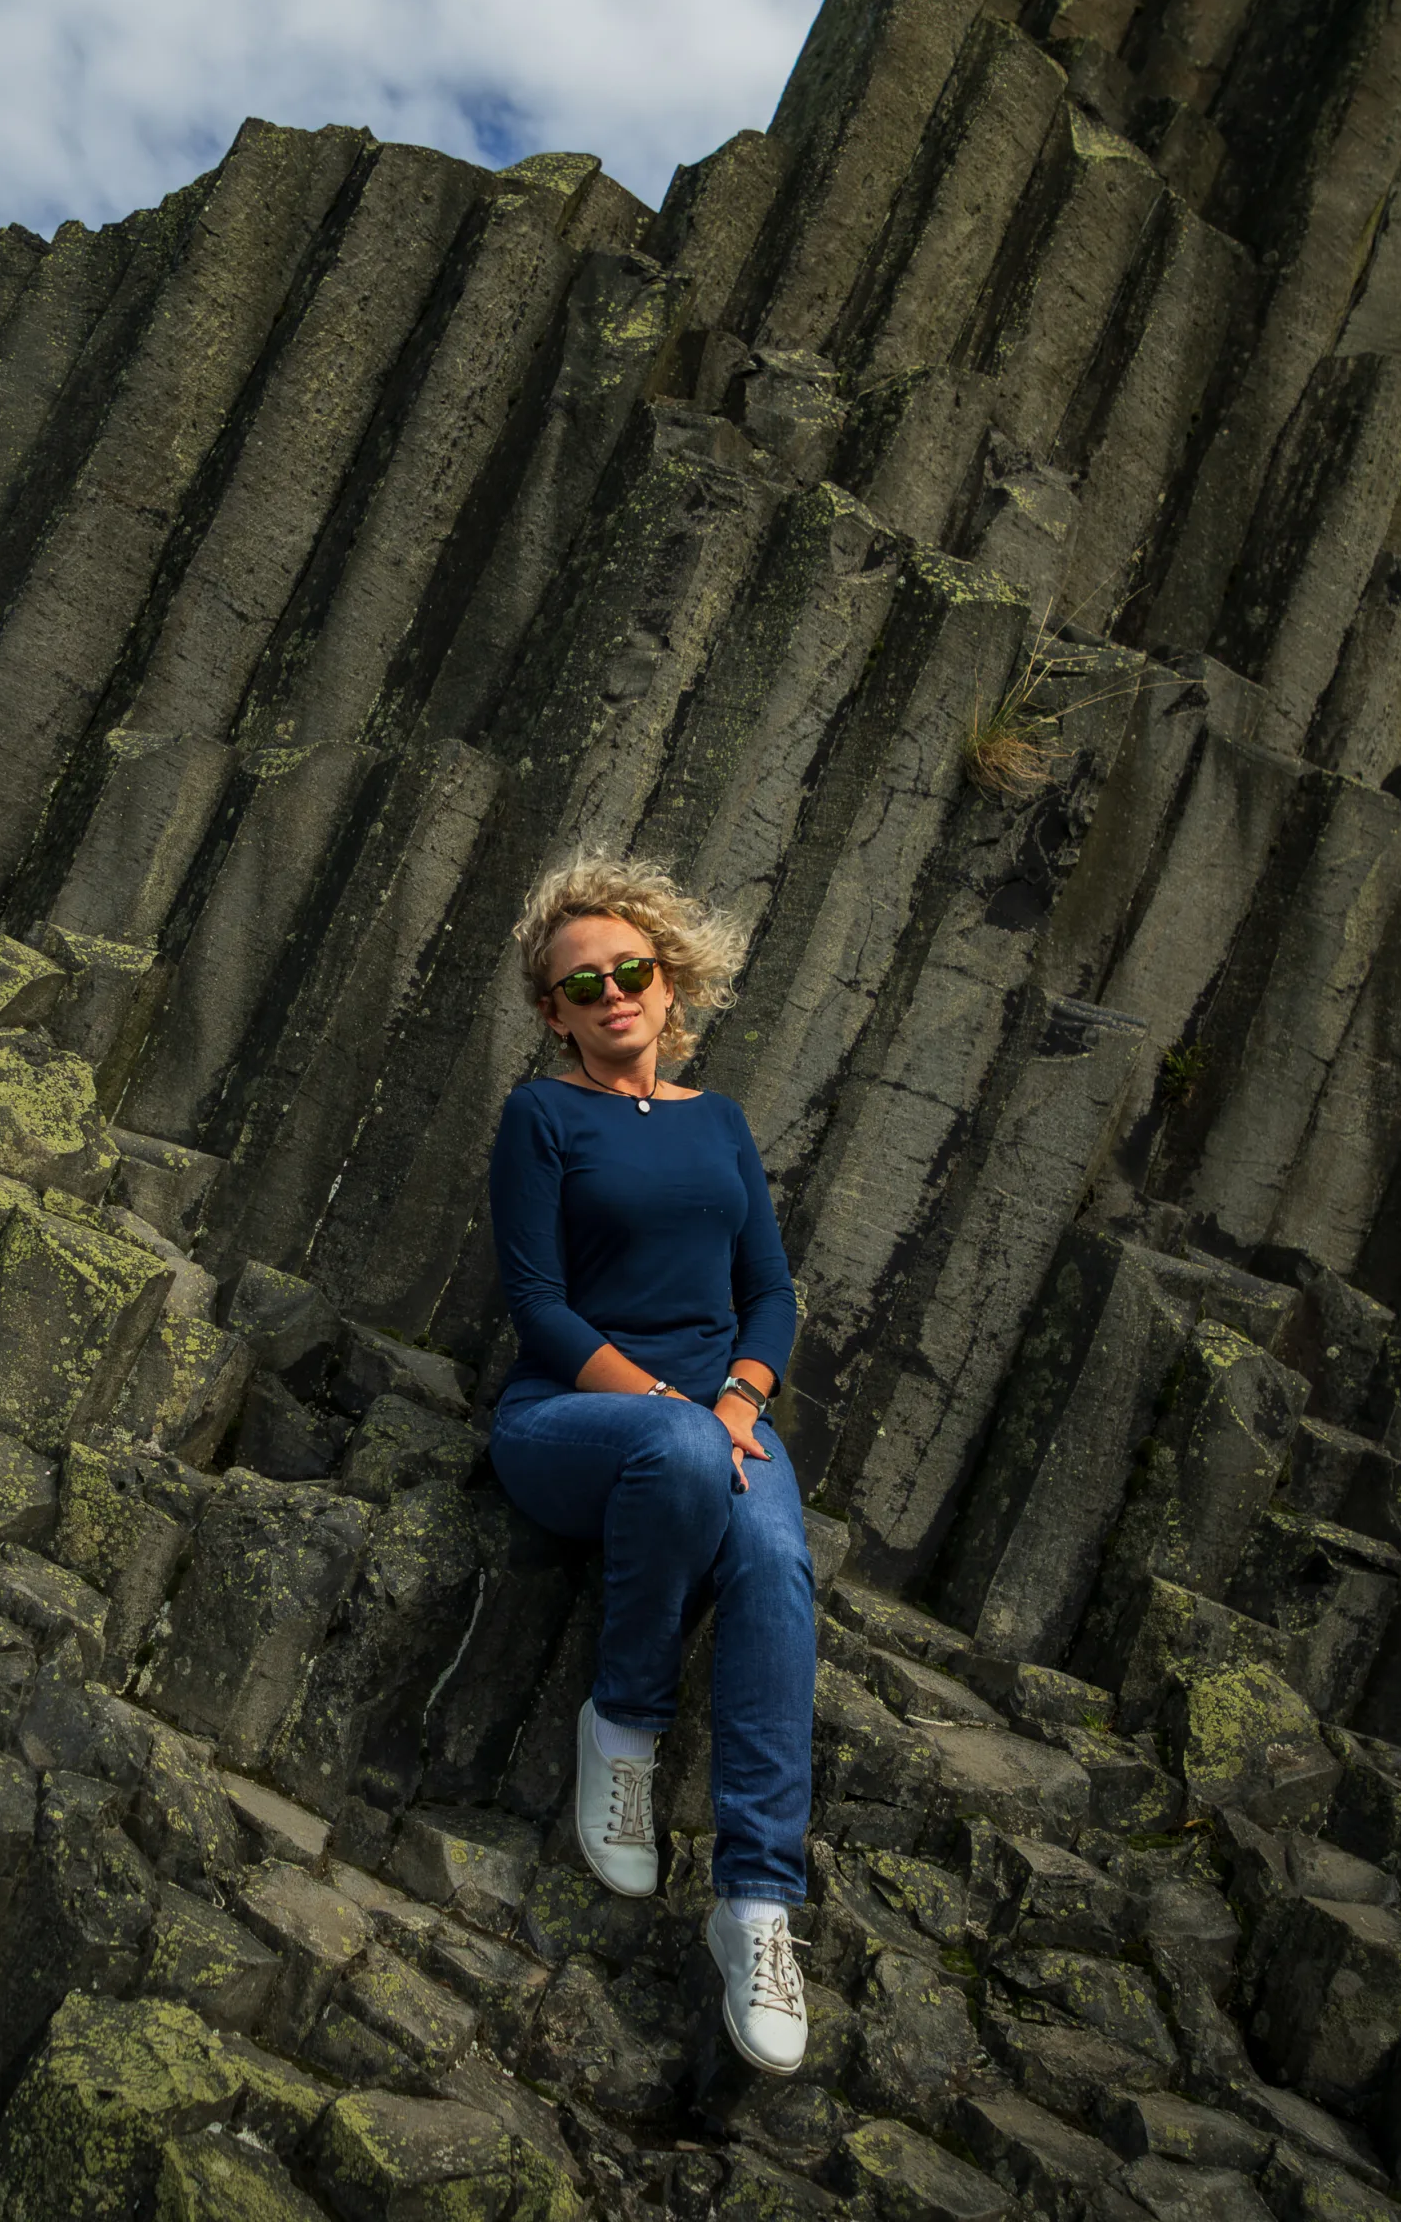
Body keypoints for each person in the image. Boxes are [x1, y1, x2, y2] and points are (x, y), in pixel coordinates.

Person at [485, 851, 816, 2076]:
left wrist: (737, 1400)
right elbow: (538, 1308)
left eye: (632, 971)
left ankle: (756, 1911)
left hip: (719, 1416)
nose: (613, 993)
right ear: (552, 1012)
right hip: (570, 1419)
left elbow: (769, 1292)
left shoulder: (721, 1123)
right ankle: (621, 1725)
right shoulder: (541, 1117)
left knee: (780, 1567)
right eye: (584, 984)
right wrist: (682, 1410)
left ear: (669, 986)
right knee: (679, 1454)